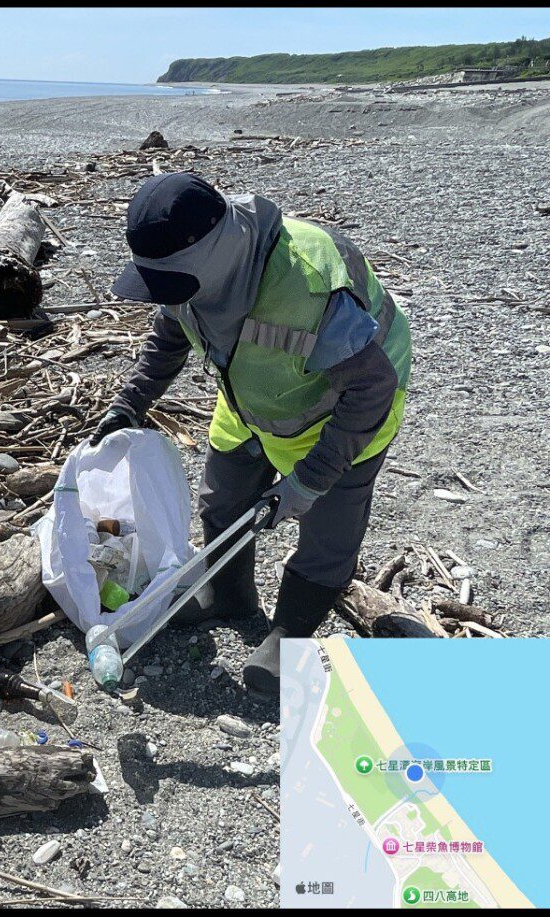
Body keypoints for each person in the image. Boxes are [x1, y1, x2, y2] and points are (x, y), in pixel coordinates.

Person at [92, 173, 411, 694]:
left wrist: (309, 481)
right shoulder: (196, 275)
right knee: (223, 499)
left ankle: (289, 634)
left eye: (172, 281)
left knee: (328, 534)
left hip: (344, 408)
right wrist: (129, 405)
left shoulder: (308, 282)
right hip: (252, 396)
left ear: (214, 257)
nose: (167, 295)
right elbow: (171, 333)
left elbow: (372, 388)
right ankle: (230, 596)